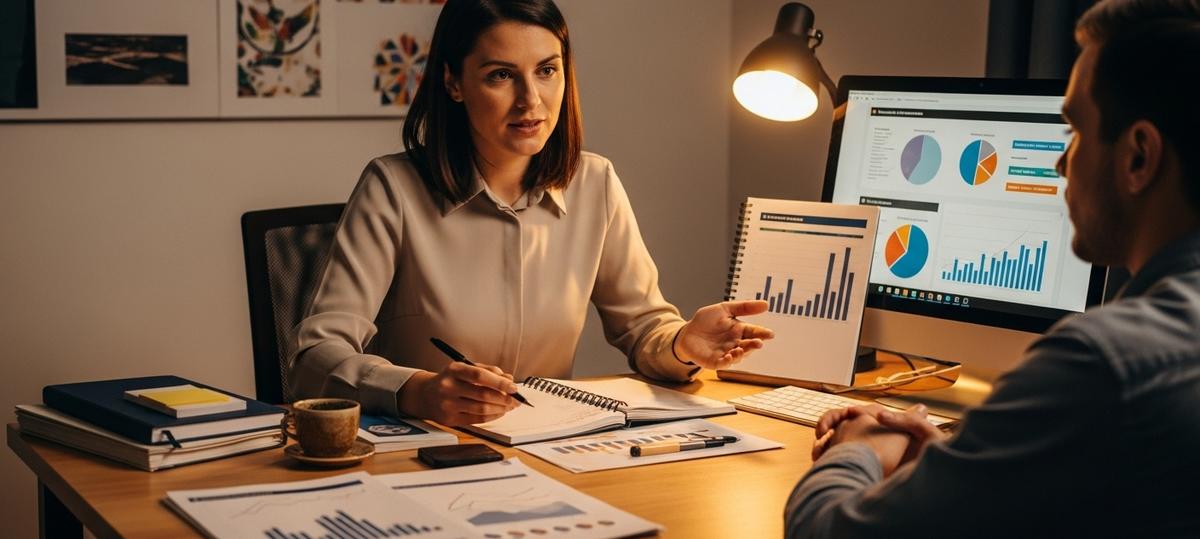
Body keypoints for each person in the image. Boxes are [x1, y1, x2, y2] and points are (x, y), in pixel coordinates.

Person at [785, 1, 1200, 537]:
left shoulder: (1101, 364)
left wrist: (857, 450)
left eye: (1074, 131)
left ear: (1138, 157)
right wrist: (967, 467)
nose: (1061, 163)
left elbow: (823, 530)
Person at [289, 0, 773, 427]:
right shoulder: (392, 188)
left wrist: (683, 344)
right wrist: (418, 391)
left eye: (546, 70)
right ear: (453, 82)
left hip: (550, 449)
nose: (531, 100)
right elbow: (314, 357)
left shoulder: (595, 183)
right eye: (501, 75)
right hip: (424, 452)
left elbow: (644, 327)